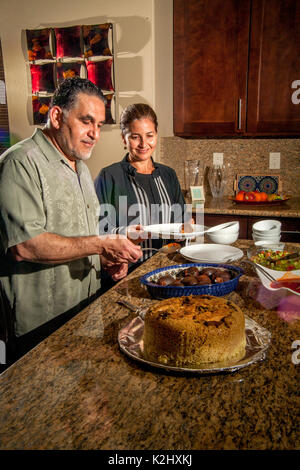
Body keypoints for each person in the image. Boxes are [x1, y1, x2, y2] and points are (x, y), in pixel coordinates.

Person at [0, 78, 142, 366]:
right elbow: (25, 246)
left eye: (100, 125)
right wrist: (102, 245)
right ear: (56, 116)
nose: (94, 134)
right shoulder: (20, 163)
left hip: (82, 316)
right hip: (39, 329)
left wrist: (107, 259)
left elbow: (79, 241)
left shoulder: (79, 167)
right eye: (86, 121)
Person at [94, 103, 189, 272]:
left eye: (149, 135)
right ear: (124, 138)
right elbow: (98, 229)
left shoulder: (168, 175)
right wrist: (124, 232)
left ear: (156, 135)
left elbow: (182, 219)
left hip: (168, 269)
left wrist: (187, 227)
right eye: (135, 137)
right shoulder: (109, 176)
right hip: (128, 271)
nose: (143, 144)